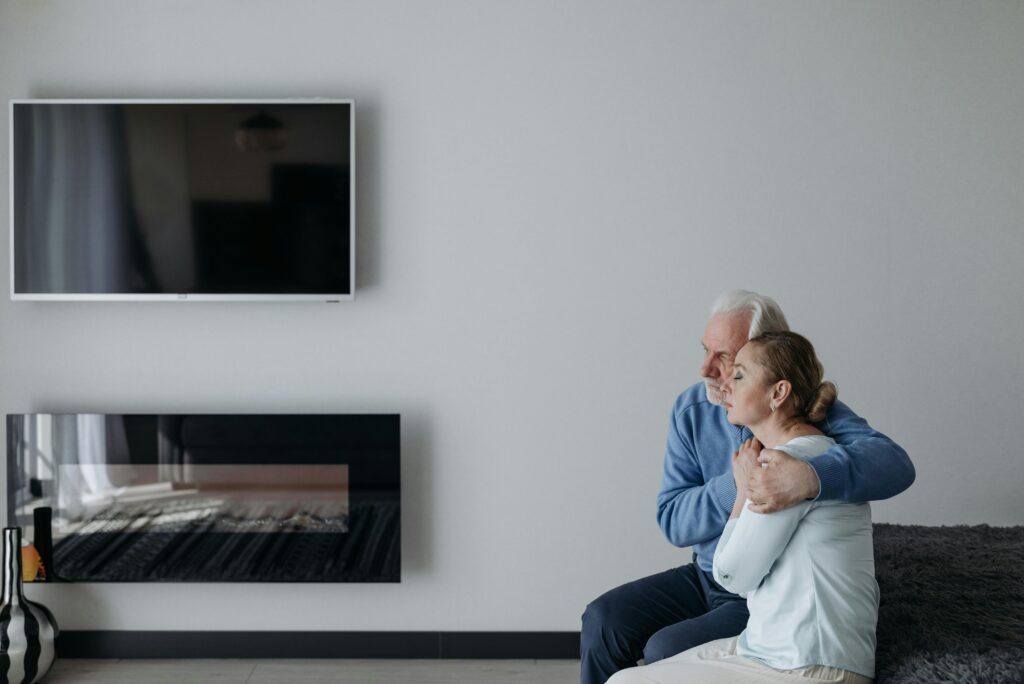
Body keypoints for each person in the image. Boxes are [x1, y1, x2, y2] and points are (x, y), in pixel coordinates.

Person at [580, 290, 914, 684]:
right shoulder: (692, 408)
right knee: (603, 619)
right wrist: (740, 483)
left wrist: (809, 477)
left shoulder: (811, 414)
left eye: (728, 361)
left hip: (763, 587)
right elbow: (672, 521)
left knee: (663, 650)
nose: (706, 369)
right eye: (706, 350)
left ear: (772, 368)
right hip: (706, 573)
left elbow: (894, 464)